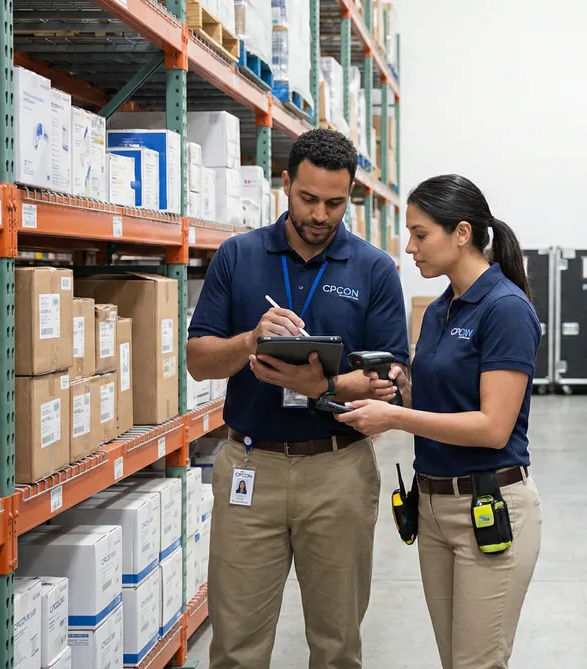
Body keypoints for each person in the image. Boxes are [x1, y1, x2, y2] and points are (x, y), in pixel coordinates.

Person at [185, 128, 410, 669]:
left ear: (350, 195)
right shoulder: (238, 256)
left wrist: (319, 387)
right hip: (249, 467)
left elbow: (391, 380)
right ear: (286, 184)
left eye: (335, 203)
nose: (320, 215)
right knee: (236, 647)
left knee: (336, 648)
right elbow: (197, 360)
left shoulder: (374, 269)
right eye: (308, 198)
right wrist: (250, 341)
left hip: (338, 472)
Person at [334, 174, 542, 669]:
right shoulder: (439, 309)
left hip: (488, 506)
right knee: (455, 661)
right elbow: (447, 398)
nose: (409, 247)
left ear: (462, 233)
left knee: (477, 662)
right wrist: (402, 390)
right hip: (434, 507)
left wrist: (396, 416)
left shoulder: (506, 309)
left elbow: (493, 427)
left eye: (420, 234)